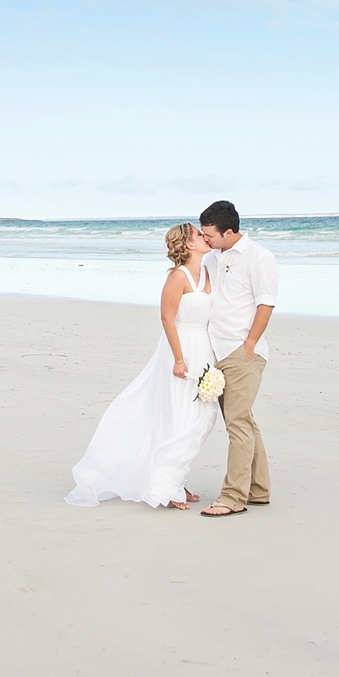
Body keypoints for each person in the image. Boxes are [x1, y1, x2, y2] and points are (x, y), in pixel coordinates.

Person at [65, 223, 219, 510]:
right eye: (200, 234)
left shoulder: (209, 270)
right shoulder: (178, 277)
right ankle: (165, 486)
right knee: (179, 416)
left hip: (205, 349)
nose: (205, 237)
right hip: (182, 346)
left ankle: (176, 477)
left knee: (203, 417)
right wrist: (178, 358)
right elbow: (166, 318)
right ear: (188, 244)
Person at [198, 200, 278, 518]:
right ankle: (258, 489)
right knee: (244, 421)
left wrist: (249, 344)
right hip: (217, 348)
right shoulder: (215, 257)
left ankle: (233, 497)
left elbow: (266, 303)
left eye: (209, 235)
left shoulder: (259, 257)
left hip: (241, 352)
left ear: (228, 232)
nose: (205, 240)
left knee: (238, 425)